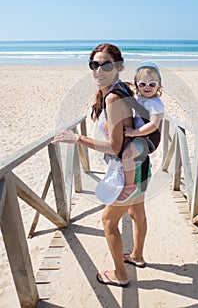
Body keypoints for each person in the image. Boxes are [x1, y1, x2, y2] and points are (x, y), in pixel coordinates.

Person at [52, 44, 150, 288]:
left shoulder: (114, 98)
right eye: (94, 65)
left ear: (118, 66)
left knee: (108, 221)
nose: (99, 70)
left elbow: (115, 147)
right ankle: (136, 256)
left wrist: (78, 139)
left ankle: (120, 274)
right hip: (141, 163)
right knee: (136, 212)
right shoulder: (119, 90)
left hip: (128, 169)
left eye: (106, 65)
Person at [117, 62, 164, 203]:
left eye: (152, 84)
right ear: (137, 85)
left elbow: (153, 124)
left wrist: (134, 132)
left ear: (159, 85)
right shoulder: (141, 99)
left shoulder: (155, 103)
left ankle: (129, 186)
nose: (147, 88)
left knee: (127, 155)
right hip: (139, 135)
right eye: (142, 84)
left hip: (148, 138)